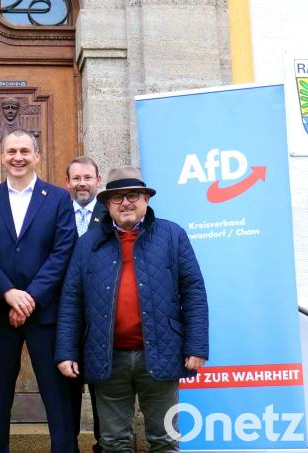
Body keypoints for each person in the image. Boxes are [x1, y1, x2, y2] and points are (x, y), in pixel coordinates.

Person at [55, 166, 209, 452]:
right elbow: (71, 299)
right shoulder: (88, 243)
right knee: (114, 443)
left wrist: (196, 346)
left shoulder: (172, 235)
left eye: (133, 195)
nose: (126, 202)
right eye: (117, 197)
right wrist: (66, 351)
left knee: (164, 439)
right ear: (107, 204)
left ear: (146, 200)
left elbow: (194, 292)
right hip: (107, 357)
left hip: (161, 353)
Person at [0, 130, 78, 453]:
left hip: (44, 313)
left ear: (37, 156)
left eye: (24, 151)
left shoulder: (58, 198)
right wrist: (8, 293)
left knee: (57, 395)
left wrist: (29, 296)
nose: (18, 157)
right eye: (11, 151)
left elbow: (63, 252)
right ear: (1, 157)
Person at [64, 156, 106, 452]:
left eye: (87, 177)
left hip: (102, 317)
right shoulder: (56, 213)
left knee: (104, 390)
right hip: (65, 315)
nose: (82, 183)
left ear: (98, 180)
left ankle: (106, 444)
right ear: (67, 183)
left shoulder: (110, 214)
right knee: (67, 390)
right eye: (76, 178)